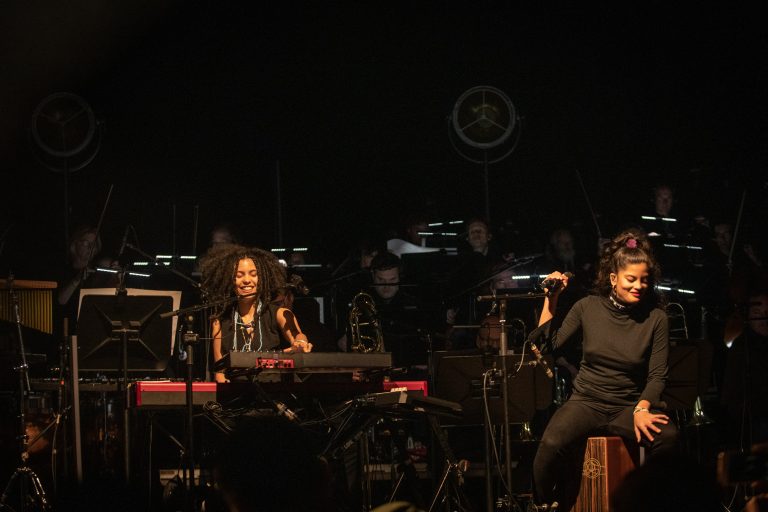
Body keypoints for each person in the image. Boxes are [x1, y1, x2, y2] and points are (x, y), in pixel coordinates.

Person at [530, 230, 678, 507]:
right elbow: (549, 346)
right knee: (549, 445)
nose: (639, 286)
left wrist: (643, 407)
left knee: (668, 437)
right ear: (613, 279)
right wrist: (552, 299)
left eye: (644, 280)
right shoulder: (588, 307)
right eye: (631, 279)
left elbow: (658, 374)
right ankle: (543, 505)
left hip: (629, 405)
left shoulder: (656, 318)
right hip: (586, 401)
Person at [199, 244, 313, 383]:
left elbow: (296, 335)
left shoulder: (280, 313)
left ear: (262, 279)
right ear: (230, 281)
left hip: (276, 391)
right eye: (239, 275)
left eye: (253, 274)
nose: (247, 280)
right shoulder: (219, 320)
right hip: (237, 397)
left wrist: (301, 342)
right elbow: (220, 372)